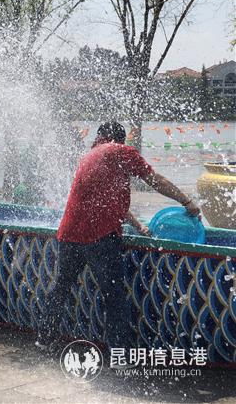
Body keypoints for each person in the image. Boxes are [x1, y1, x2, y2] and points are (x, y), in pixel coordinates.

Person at [44, 122, 200, 354]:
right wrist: (186, 201)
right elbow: (154, 179)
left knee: (61, 288)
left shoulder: (89, 156)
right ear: (120, 140)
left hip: (69, 234)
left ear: (101, 137)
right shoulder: (120, 151)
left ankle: (44, 340)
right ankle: (120, 356)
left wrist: (138, 226)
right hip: (99, 237)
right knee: (114, 297)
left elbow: (110, 201)